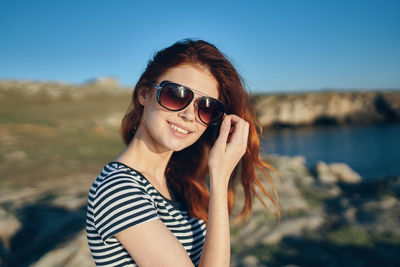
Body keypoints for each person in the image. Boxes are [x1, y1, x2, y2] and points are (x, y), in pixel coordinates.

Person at [86, 39, 279, 267]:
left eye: (206, 107)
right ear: (144, 94)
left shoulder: (175, 182)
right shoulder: (119, 190)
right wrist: (219, 177)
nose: (189, 115)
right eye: (176, 95)